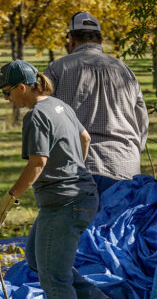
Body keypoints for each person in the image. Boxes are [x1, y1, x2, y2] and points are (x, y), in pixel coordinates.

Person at [0, 60, 111, 299]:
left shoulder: (35, 117)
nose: (7, 100)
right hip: (78, 196)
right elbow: (85, 137)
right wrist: (74, 166)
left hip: (65, 202)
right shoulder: (58, 105)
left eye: (7, 93)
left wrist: (9, 198)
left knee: (54, 275)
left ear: (21, 87)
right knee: (34, 256)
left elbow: (37, 163)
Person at [44, 12, 149, 194]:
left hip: (76, 168)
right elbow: (142, 121)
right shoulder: (124, 71)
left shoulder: (58, 69)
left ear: (71, 40)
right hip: (123, 166)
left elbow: (44, 117)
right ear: (99, 40)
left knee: (79, 223)